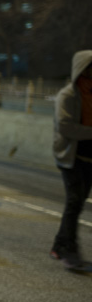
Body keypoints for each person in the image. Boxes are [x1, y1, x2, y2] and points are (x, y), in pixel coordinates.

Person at [50, 50, 92, 271]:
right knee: (74, 202)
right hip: (70, 156)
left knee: (78, 202)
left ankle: (59, 245)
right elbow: (66, 128)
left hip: (89, 157)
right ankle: (68, 249)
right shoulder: (67, 96)